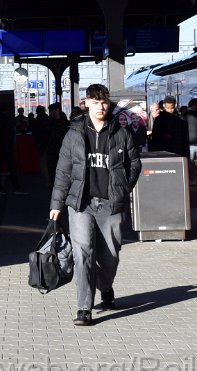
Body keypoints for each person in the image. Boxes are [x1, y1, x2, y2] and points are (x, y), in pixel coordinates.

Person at [49, 83, 142, 327]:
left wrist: (123, 188)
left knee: (109, 256)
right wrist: (56, 203)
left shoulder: (121, 133)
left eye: (104, 102)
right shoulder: (74, 134)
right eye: (96, 102)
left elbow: (134, 164)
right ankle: (84, 308)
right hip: (81, 203)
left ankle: (106, 287)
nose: (101, 107)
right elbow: (63, 171)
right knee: (83, 254)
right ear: (87, 102)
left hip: (110, 204)